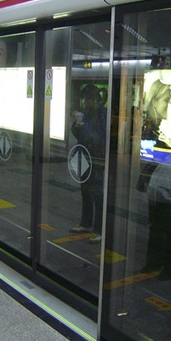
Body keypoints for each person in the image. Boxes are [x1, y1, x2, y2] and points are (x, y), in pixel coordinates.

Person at [139, 78, 171, 280]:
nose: (170, 104)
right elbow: (147, 151)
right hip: (157, 184)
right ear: (155, 102)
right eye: (166, 99)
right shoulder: (153, 125)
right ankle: (153, 260)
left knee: (170, 227)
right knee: (155, 225)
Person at [70, 84, 107, 244]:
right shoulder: (85, 113)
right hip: (84, 156)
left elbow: (101, 137)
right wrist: (76, 126)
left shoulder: (102, 114)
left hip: (97, 158)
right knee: (85, 190)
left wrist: (85, 129)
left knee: (97, 194)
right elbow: (78, 133)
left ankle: (99, 230)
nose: (84, 103)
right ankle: (86, 223)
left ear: (94, 99)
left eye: (87, 100)